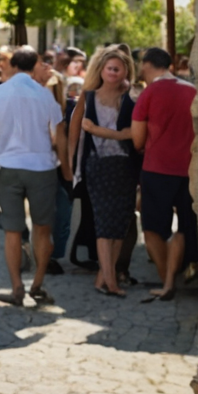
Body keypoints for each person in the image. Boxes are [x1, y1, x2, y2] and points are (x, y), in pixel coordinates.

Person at [0, 46, 69, 306]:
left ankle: (17, 286)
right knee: (43, 228)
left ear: (13, 65)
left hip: (9, 167)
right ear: (34, 66)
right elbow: (59, 135)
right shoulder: (45, 96)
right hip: (42, 167)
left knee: (12, 231)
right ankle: (37, 284)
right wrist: (66, 170)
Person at [70, 45, 141, 298]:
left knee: (121, 221)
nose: (112, 71)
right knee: (103, 221)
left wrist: (99, 131)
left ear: (125, 71)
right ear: (101, 70)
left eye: (117, 68)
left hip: (125, 165)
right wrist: (72, 167)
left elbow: (133, 134)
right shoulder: (88, 96)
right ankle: (110, 282)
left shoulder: (132, 96)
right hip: (97, 164)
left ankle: (103, 277)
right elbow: (76, 131)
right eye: (109, 67)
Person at [129, 46, 195, 302]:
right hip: (189, 170)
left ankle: (165, 279)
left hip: (157, 169)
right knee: (184, 228)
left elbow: (137, 139)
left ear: (146, 65)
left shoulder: (149, 93)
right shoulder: (192, 91)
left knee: (154, 229)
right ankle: (170, 281)